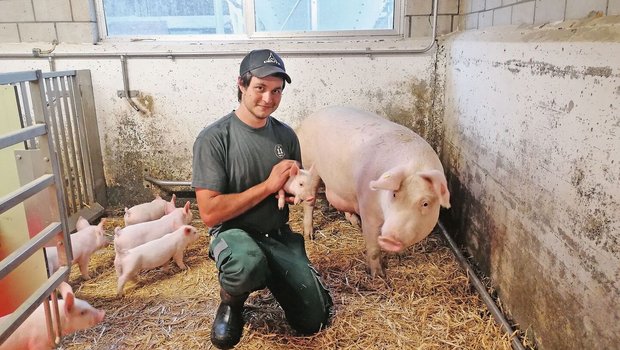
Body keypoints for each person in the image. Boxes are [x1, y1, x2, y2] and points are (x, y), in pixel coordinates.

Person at [191, 49, 332, 349]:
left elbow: (291, 184)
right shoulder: (214, 139)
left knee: (313, 321)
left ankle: (290, 272)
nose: (268, 98)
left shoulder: (286, 136)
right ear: (241, 85)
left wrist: (297, 194)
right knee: (246, 264)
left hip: (277, 234)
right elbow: (210, 214)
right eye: (260, 88)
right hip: (234, 231)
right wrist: (268, 186)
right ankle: (232, 304)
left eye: (276, 90)